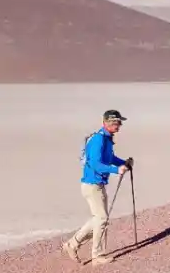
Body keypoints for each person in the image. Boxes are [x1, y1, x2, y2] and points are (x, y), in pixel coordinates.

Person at [62, 109, 133, 266]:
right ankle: (97, 256)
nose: (120, 126)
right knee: (101, 219)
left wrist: (123, 163)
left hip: (97, 185)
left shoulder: (107, 140)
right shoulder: (99, 140)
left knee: (100, 219)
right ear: (109, 122)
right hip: (92, 185)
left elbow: (110, 158)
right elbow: (95, 164)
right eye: (117, 123)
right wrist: (116, 170)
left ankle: (72, 244)